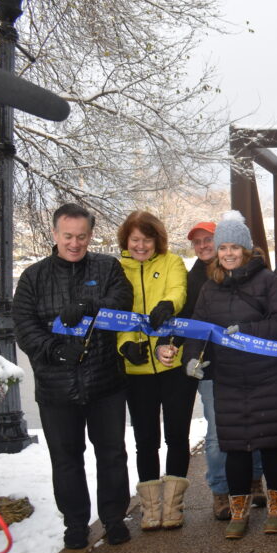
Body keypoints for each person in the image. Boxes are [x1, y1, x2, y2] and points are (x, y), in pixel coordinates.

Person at [181, 210, 277, 538]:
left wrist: (249, 330)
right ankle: (239, 512)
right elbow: (198, 327)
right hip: (230, 378)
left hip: (268, 375)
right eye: (222, 247)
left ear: (246, 250)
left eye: (234, 248)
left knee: (270, 444)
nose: (227, 253)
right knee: (235, 447)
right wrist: (191, 356)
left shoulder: (268, 281)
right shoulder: (210, 288)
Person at [12, 203, 133, 549]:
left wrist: (90, 306)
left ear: (90, 236)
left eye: (81, 237)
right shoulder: (33, 277)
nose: (75, 243)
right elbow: (24, 326)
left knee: (112, 454)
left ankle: (113, 518)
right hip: (56, 388)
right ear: (54, 234)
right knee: (66, 460)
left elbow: (123, 299)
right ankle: (76, 523)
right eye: (68, 236)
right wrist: (54, 350)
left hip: (105, 382)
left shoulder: (107, 266)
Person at [159, 220, 265, 521]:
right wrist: (174, 347)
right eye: (198, 242)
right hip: (211, 365)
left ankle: (255, 479)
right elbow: (185, 322)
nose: (203, 246)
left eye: (209, 240)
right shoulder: (192, 279)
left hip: (247, 362)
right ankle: (220, 491)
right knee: (217, 431)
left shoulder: (247, 273)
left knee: (254, 423)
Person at [116, 210, 190, 531]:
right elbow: (116, 313)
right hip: (137, 369)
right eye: (135, 240)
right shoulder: (117, 269)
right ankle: (150, 508)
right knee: (146, 439)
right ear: (126, 241)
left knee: (177, 435)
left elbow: (179, 291)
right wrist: (125, 346)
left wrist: (168, 306)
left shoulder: (171, 262)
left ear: (156, 240)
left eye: (147, 240)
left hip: (172, 362)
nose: (141, 246)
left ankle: (172, 507)